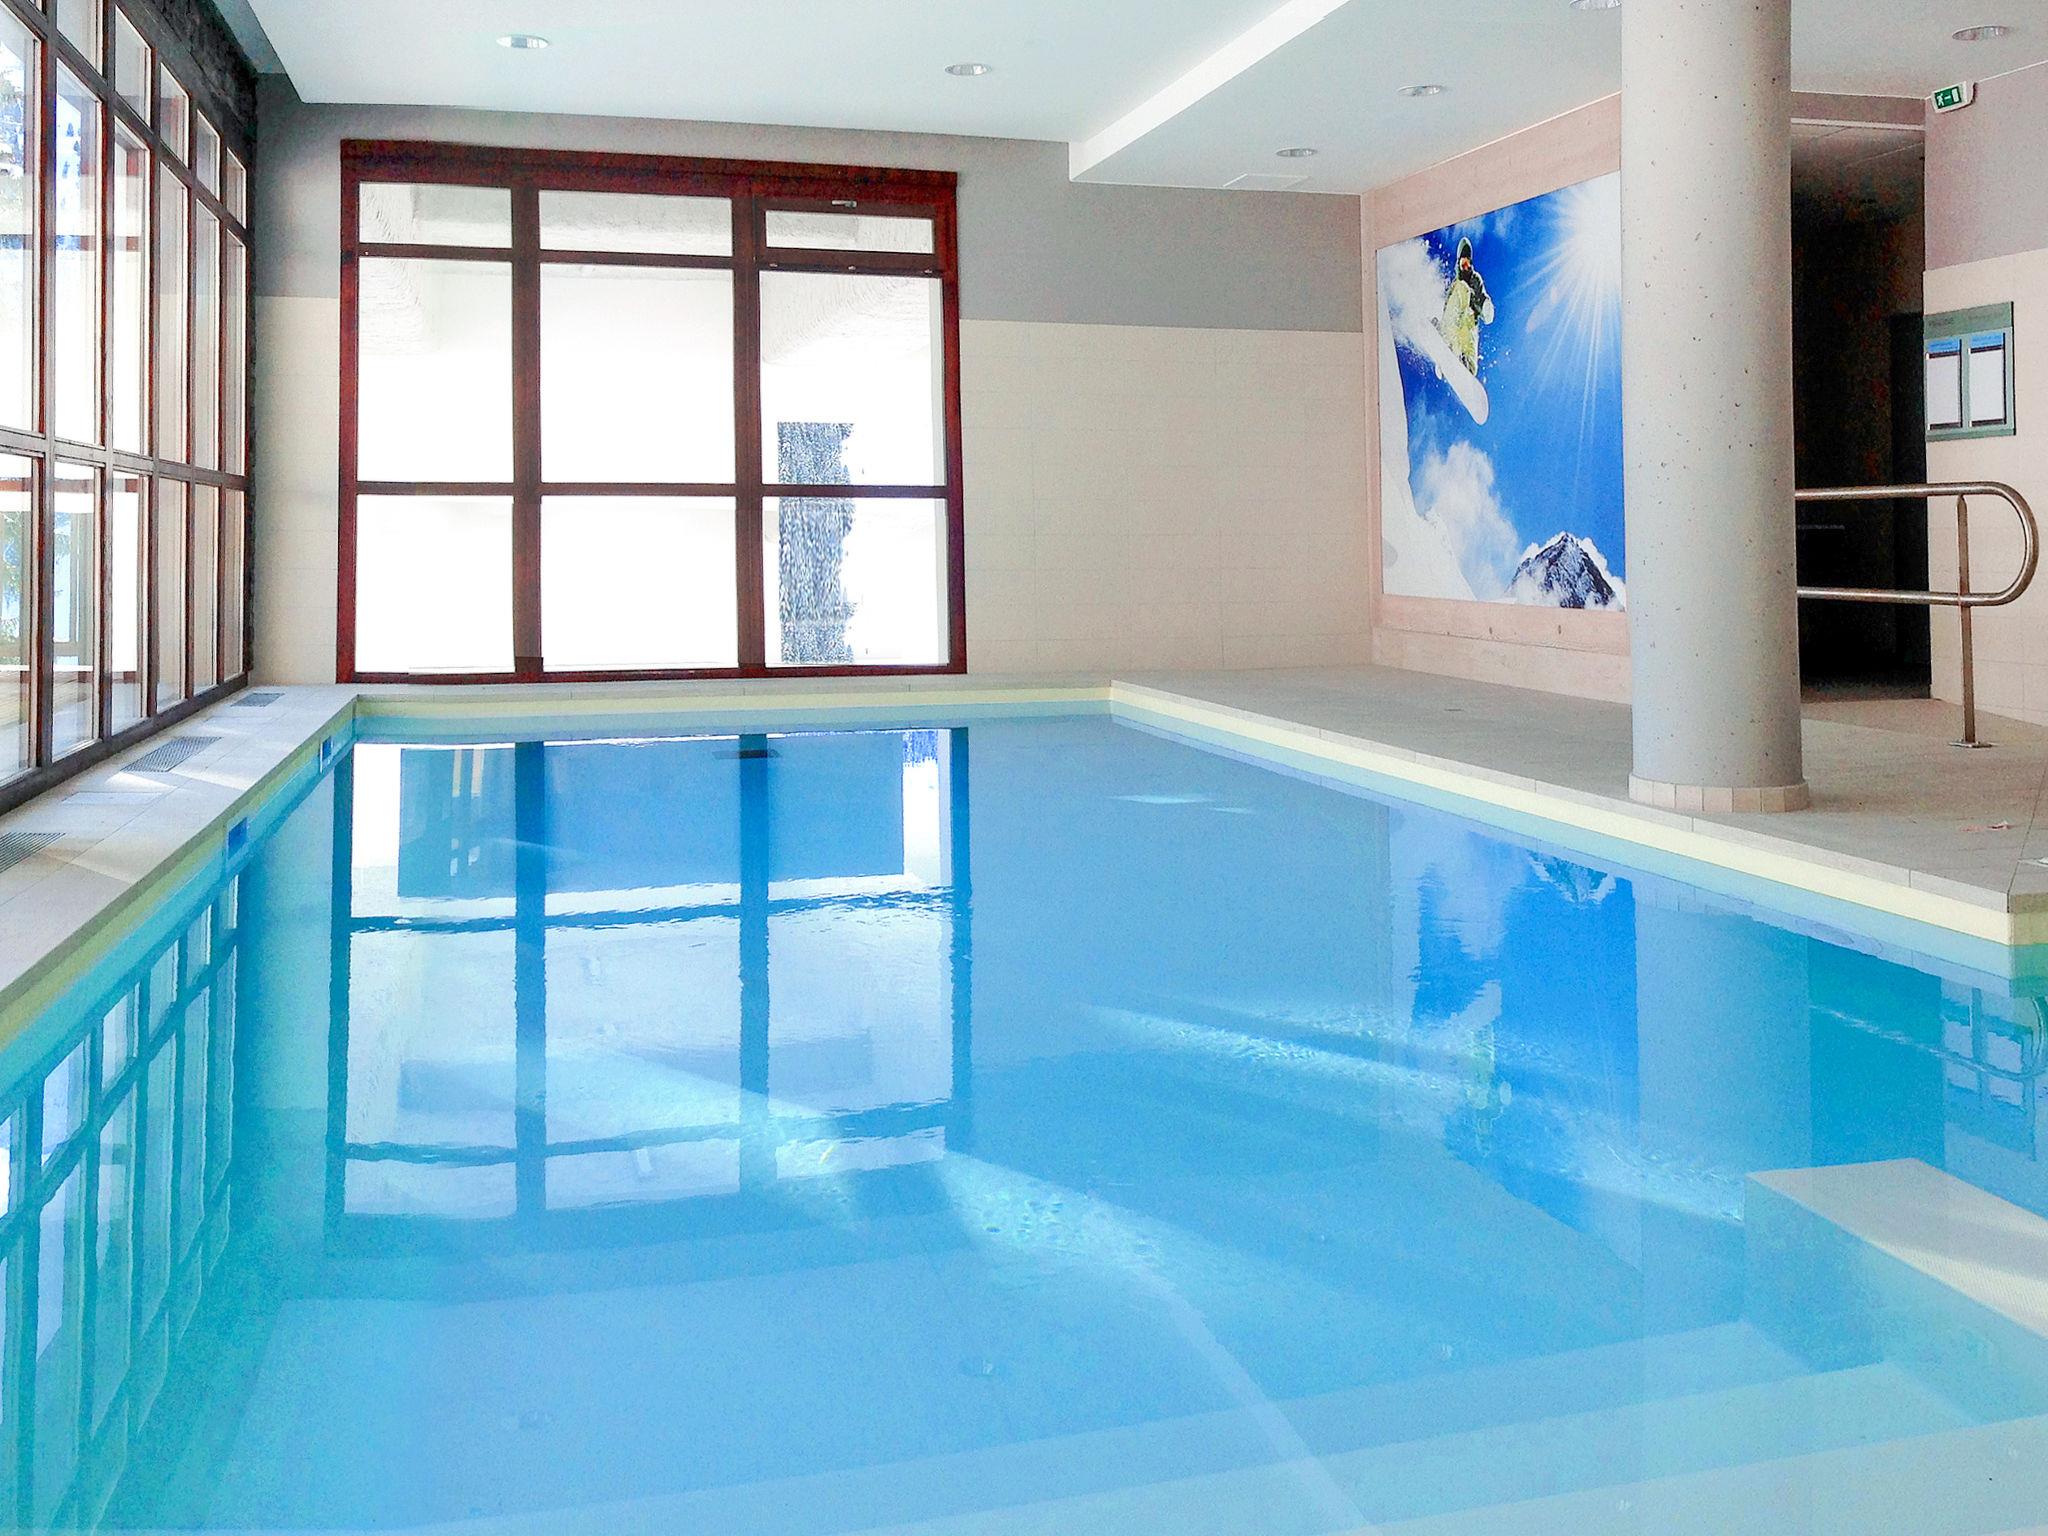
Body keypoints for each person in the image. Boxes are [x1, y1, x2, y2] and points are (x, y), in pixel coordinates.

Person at [1438, 237, 1494, 376]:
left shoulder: (1475, 279)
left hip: (1468, 322)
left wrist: (1485, 307)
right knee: (1462, 287)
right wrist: (1441, 329)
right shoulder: (1456, 285)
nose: (1466, 267)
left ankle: (1467, 364)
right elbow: (1448, 308)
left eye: (1468, 263)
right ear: (1458, 264)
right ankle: (1446, 344)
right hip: (1453, 324)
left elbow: (1481, 295)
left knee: (1469, 335)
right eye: (1463, 263)